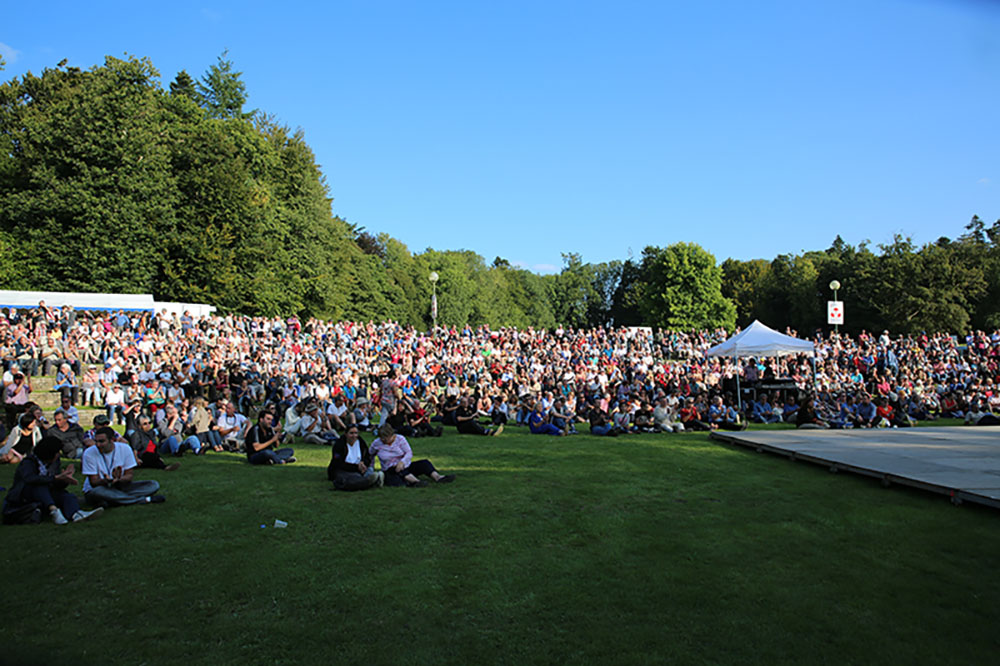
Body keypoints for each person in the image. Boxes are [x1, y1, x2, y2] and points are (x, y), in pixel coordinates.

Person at [2, 435, 104, 525]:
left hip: (48, 493)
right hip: (25, 495)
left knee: (67, 496)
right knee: (39, 486)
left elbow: (55, 484)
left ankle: (76, 514)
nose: (58, 455)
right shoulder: (28, 462)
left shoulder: (54, 463)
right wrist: (55, 478)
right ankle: (53, 510)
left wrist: (64, 480)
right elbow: (29, 479)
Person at [82, 426, 165, 506]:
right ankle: (143, 500)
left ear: (112, 440)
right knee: (97, 492)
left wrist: (119, 480)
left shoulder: (125, 448)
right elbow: (93, 482)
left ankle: (113, 500)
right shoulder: (89, 453)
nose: (98, 445)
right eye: (96, 441)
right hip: (99, 488)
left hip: (120, 486)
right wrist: (106, 481)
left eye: (101, 441)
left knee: (153, 485)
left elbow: (129, 475)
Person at [369, 424, 454, 487]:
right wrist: (371, 469)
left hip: (405, 465)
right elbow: (370, 455)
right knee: (398, 470)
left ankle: (438, 477)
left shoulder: (400, 439)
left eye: (386, 438)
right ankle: (415, 482)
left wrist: (402, 462)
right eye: (382, 438)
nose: (383, 440)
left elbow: (409, 452)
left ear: (391, 435)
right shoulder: (376, 444)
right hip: (390, 469)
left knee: (424, 463)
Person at [327, 425, 384, 491]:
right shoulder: (339, 445)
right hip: (345, 470)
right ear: (346, 434)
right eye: (351, 433)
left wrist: (363, 463)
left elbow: (367, 457)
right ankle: (371, 481)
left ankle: (373, 479)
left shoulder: (361, 443)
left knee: (369, 470)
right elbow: (338, 463)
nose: (354, 436)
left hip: (360, 469)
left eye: (356, 433)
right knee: (351, 477)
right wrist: (356, 467)